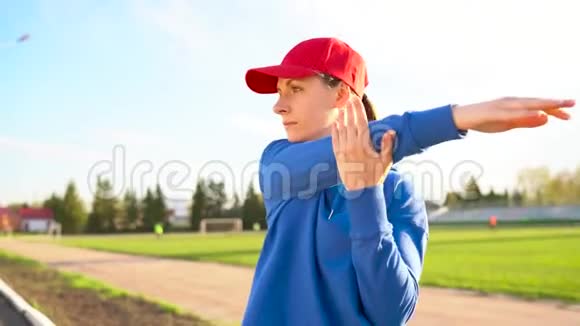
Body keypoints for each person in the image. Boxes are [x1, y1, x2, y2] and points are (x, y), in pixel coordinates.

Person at [242, 37, 574, 325]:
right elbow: (354, 147)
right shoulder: (279, 165)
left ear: (341, 94)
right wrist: (456, 117)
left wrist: (365, 196)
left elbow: (391, 313)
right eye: (279, 92)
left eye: (295, 89)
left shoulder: (396, 192)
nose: (278, 106)